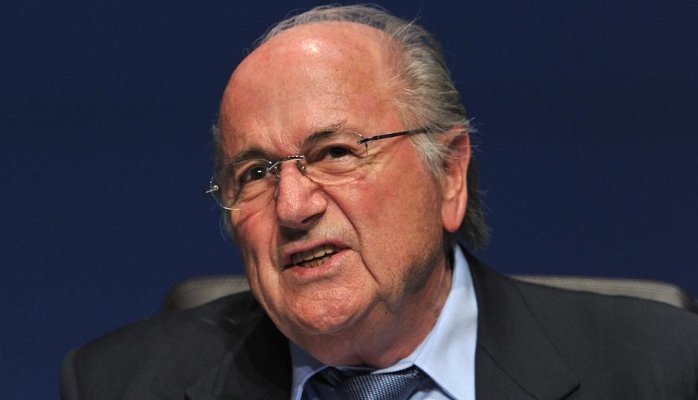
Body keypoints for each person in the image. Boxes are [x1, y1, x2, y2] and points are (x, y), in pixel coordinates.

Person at [61, 5, 698, 400]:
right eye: (255, 173)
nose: (293, 206)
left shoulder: (663, 369)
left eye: (336, 152)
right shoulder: (115, 385)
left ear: (449, 175)